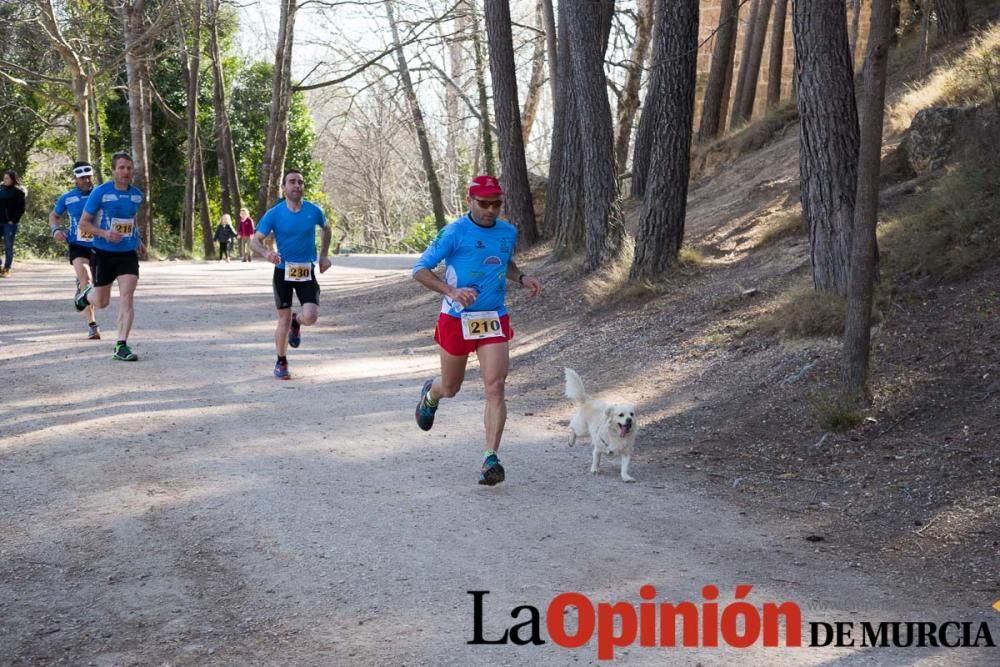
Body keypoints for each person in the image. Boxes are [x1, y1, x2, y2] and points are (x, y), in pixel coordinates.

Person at [411, 175, 542, 486]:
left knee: (495, 386)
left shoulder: (508, 232)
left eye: (496, 204)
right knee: (452, 387)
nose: (490, 210)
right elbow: (420, 269)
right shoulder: (455, 231)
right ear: (470, 200)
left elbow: (504, 264)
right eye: (483, 203)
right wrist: (450, 291)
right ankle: (432, 394)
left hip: (493, 317)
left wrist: (522, 278)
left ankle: (490, 459)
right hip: (456, 318)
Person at [249, 169, 332, 380]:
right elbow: (254, 240)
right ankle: (281, 361)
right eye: (292, 182)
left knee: (311, 316)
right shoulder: (274, 213)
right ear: (284, 187)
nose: (297, 185)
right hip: (282, 272)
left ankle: (299, 321)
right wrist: (267, 253)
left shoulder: (314, 211)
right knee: (282, 320)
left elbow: (327, 228)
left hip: (306, 271)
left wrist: (323, 256)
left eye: (300, 182)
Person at [74, 152, 146, 361]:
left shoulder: (137, 195)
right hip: (103, 253)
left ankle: (121, 345)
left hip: (127, 253)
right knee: (102, 302)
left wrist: (138, 239)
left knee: (127, 297)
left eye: (129, 168)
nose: (125, 172)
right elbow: (84, 223)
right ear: (113, 171)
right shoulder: (100, 193)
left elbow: (131, 220)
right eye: (121, 168)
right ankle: (85, 295)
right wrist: (106, 234)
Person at [50, 161, 101, 339]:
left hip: (100, 246)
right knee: (85, 279)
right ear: (75, 178)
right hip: (77, 245)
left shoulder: (101, 194)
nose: (86, 180)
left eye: (88, 176)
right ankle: (92, 325)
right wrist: (55, 230)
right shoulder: (67, 197)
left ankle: (82, 290)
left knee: (98, 289)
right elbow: (54, 215)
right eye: (82, 177)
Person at [0, 169, 27, 278]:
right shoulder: (0, 190)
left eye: (7, 178)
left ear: (12, 179)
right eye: (4, 178)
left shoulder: (18, 192)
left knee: (8, 246)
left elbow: (21, 209)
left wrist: (13, 220)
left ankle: (7, 268)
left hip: (10, 224)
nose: (5, 180)